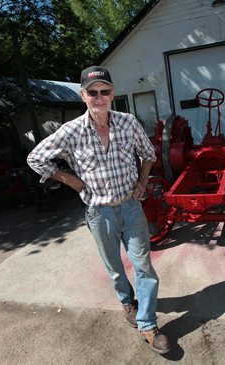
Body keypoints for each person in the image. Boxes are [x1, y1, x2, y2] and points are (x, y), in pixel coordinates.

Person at [27, 66, 171, 355]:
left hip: (130, 207)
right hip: (98, 211)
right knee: (115, 268)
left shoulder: (128, 122)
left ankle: (148, 325)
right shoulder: (71, 132)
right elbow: (36, 158)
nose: (99, 97)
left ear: (112, 93)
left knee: (144, 266)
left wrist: (143, 181)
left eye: (105, 91)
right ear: (83, 96)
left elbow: (149, 154)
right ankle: (127, 302)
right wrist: (71, 180)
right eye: (93, 92)